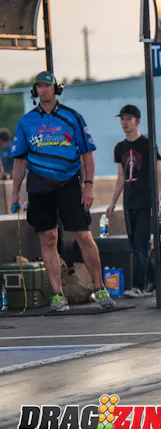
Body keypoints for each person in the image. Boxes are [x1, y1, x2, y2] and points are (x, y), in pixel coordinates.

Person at [10, 71, 116, 312]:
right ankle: (58, 296)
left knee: (83, 236)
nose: (43, 90)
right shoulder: (26, 122)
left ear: (55, 89)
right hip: (38, 188)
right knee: (48, 239)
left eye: (47, 86)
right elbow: (19, 160)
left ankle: (99, 288)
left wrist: (88, 186)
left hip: (69, 184)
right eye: (39, 86)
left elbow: (87, 154)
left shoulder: (72, 117)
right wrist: (15, 193)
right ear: (35, 91)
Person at [106, 104, 161, 298]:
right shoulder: (120, 148)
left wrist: (157, 201)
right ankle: (155, 279)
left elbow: (158, 172)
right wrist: (113, 202)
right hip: (129, 203)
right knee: (135, 246)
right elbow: (121, 177)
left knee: (141, 245)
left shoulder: (147, 144)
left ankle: (138, 286)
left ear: (137, 121)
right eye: (122, 119)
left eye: (129, 119)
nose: (125, 123)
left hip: (146, 202)